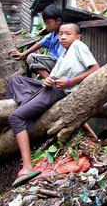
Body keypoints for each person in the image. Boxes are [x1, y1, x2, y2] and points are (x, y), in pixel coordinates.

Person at [7, 23, 99, 187]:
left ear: (77, 36)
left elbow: (95, 69)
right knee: (16, 80)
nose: (63, 37)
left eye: (68, 34)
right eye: (61, 34)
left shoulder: (78, 46)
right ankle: (30, 105)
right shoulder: (64, 53)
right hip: (52, 87)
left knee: (16, 117)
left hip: (59, 91)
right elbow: (55, 76)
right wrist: (48, 79)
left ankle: (27, 167)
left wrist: (71, 81)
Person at [10, 4, 65, 78]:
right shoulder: (53, 34)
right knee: (31, 61)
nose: (46, 26)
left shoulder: (63, 35)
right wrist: (23, 54)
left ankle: (50, 81)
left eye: (48, 23)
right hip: (52, 62)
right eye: (45, 23)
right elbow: (40, 43)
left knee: (32, 58)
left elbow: (62, 58)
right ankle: (50, 79)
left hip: (60, 64)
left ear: (58, 21)